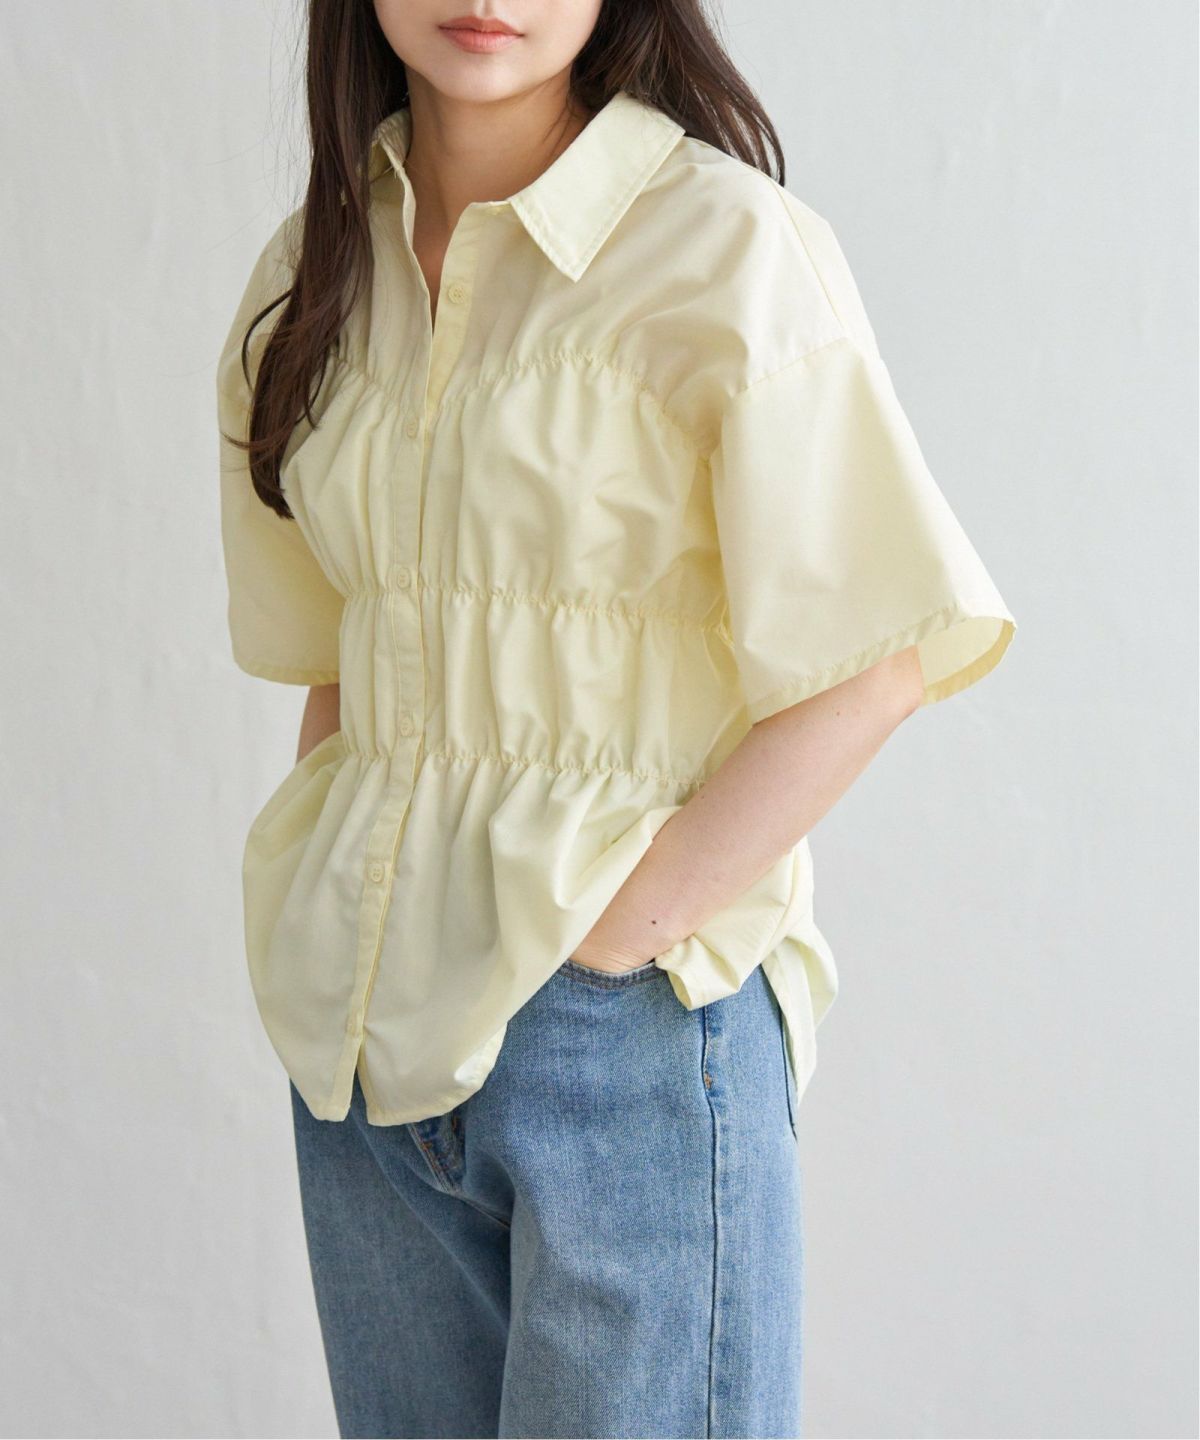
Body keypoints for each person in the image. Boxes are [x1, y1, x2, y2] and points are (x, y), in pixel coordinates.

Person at [216, 2, 1018, 1435]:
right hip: (364, 1057)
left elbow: (877, 657)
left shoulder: (723, 247)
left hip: (621, 1045)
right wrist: (331, 925)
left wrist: (613, 943)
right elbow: (337, 647)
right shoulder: (312, 275)